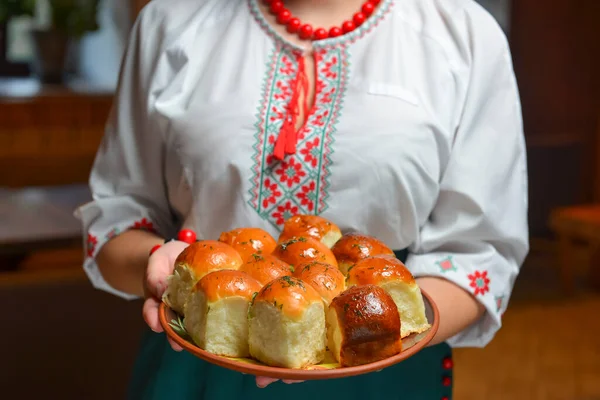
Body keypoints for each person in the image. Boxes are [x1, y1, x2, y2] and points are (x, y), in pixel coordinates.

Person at [76, 0, 529, 398]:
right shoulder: (169, 23)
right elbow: (117, 220)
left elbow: (480, 252)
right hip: (200, 351)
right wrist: (159, 265)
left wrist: (373, 335)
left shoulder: (463, 34)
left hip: (380, 367)